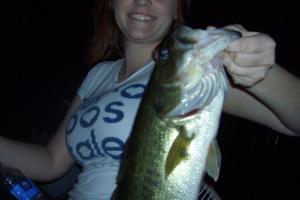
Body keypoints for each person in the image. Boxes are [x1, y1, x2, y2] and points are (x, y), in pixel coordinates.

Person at [1, 0, 300, 199]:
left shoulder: (197, 72)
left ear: (176, 8)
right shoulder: (98, 75)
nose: (143, 1)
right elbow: (50, 162)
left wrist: (263, 72)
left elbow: (294, 122)